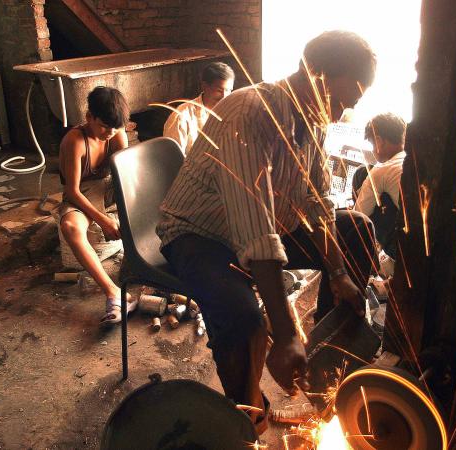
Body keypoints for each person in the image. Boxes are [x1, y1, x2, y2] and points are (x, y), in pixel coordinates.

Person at [157, 31, 378, 433]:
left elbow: (315, 202)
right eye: (342, 100)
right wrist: (285, 331)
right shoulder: (250, 113)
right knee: (244, 320)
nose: (342, 112)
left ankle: (323, 371)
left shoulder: (313, 117)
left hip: (269, 221)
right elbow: (255, 230)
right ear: (316, 75)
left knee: (356, 230)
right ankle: (246, 417)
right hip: (199, 232)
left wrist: (339, 272)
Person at [57, 87, 132, 329]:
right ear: (90, 117)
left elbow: (127, 178)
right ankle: (112, 291)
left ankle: (139, 261)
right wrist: (103, 219)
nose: (109, 133)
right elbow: (72, 191)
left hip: (108, 188)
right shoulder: (75, 141)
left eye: (115, 128)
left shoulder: (115, 133)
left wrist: (129, 208)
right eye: (104, 127)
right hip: (84, 193)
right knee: (70, 227)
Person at [353, 113, 407, 262]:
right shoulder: (409, 158)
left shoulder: (381, 170)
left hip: (405, 250)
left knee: (361, 174)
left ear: (379, 141)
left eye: (371, 144)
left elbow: (357, 216)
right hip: (431, 241)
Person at [162, 61, 235, 154]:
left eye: (228, 90)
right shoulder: (182, 116)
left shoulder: (232, 113)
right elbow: (173, 158)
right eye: (219, 91)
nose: (224, 97)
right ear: (204, 86)